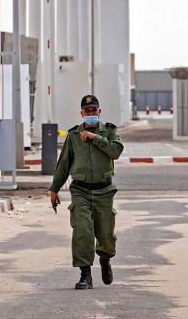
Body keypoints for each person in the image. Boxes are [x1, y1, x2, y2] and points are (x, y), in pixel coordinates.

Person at [49, 94, 124, 290]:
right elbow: (64, 164)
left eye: (94, 110)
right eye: (87, 111)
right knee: (82, 230)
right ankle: (85, 275)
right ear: (81, 113)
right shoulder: (73, 136)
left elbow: (116, 151)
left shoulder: (109, 131)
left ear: (99, 112)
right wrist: (54, 189)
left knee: (105, 235)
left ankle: (105, 259)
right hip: (80, 190)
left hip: (104, 190)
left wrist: (95, 138)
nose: (90, 113)